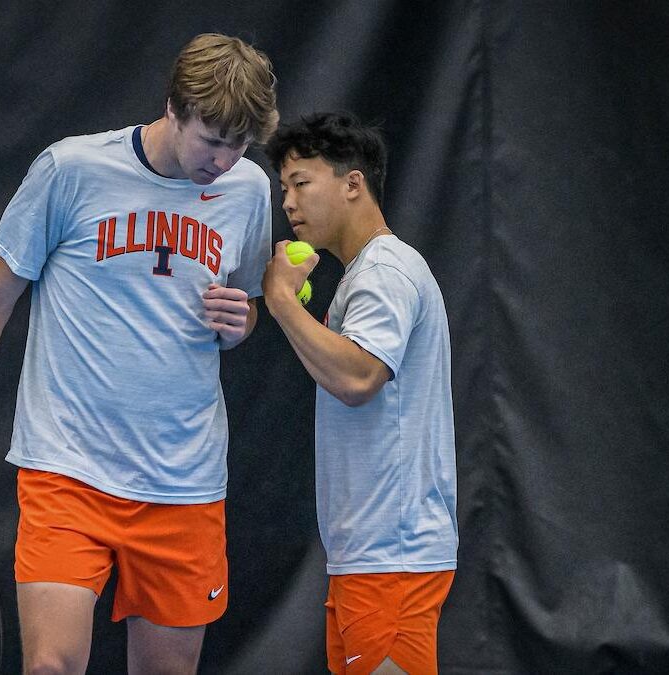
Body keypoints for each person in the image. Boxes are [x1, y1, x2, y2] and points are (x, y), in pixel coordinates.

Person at [0, 33, 278, 674]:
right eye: (212, 139)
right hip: (68, 469)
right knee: (52, 666)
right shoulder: (70, 170)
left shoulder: (248, 191)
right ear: (173, 107)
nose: (224, 159)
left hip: (184, 479)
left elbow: (241, 313)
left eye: (241, 145)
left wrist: (238, 323)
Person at [261, 113, 457, 675]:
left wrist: (279, 304)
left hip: (392, 557)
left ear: (353, 184)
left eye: (301, 183)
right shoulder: (364, 274)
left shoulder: (385, 272)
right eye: (284, 189)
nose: (290, 204)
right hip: (368, 557)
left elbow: (358, 378)